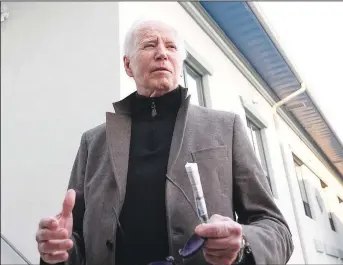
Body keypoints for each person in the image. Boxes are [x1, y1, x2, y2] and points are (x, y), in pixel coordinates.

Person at [35, 19, 294, 265]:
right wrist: (57, 250)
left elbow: (276, 228)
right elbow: (75, 241)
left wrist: (244, 244)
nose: (162, 53)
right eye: (149, 45)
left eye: (171, 47)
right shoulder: (93, 143)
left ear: (180, 62)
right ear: (127, 65)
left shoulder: (226, 128)